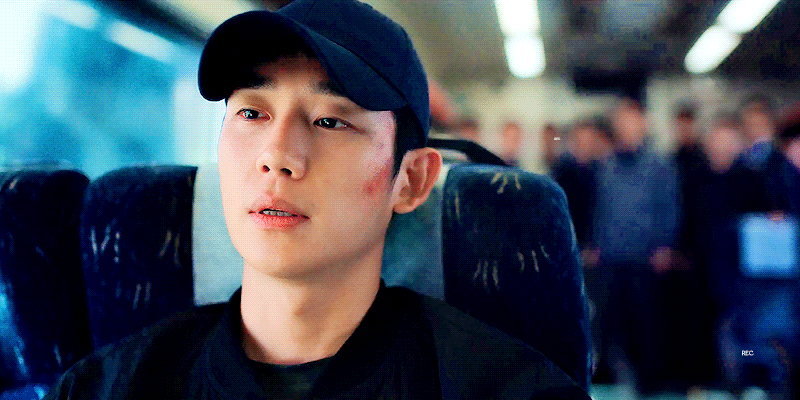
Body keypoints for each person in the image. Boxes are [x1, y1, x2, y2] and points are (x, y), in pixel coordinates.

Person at [44, 1, 589, 399]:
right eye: (252, 113)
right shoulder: (106, 387)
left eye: (330, 121)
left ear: (411, 180)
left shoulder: (509, 389)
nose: (277, 156)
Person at [591, 98, 680, 394]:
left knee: (647, 325)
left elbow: (669, 206)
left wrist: (664, 245)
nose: (626, 128)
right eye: (621, 122)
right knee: (609, 323)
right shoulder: (606, 165)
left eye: (631, 121)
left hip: (645, 258)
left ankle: (650, 383)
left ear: (643, 124)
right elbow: (600, 209)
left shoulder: (660, 165)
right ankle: (607, 383)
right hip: (611, 257)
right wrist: (596, 244)